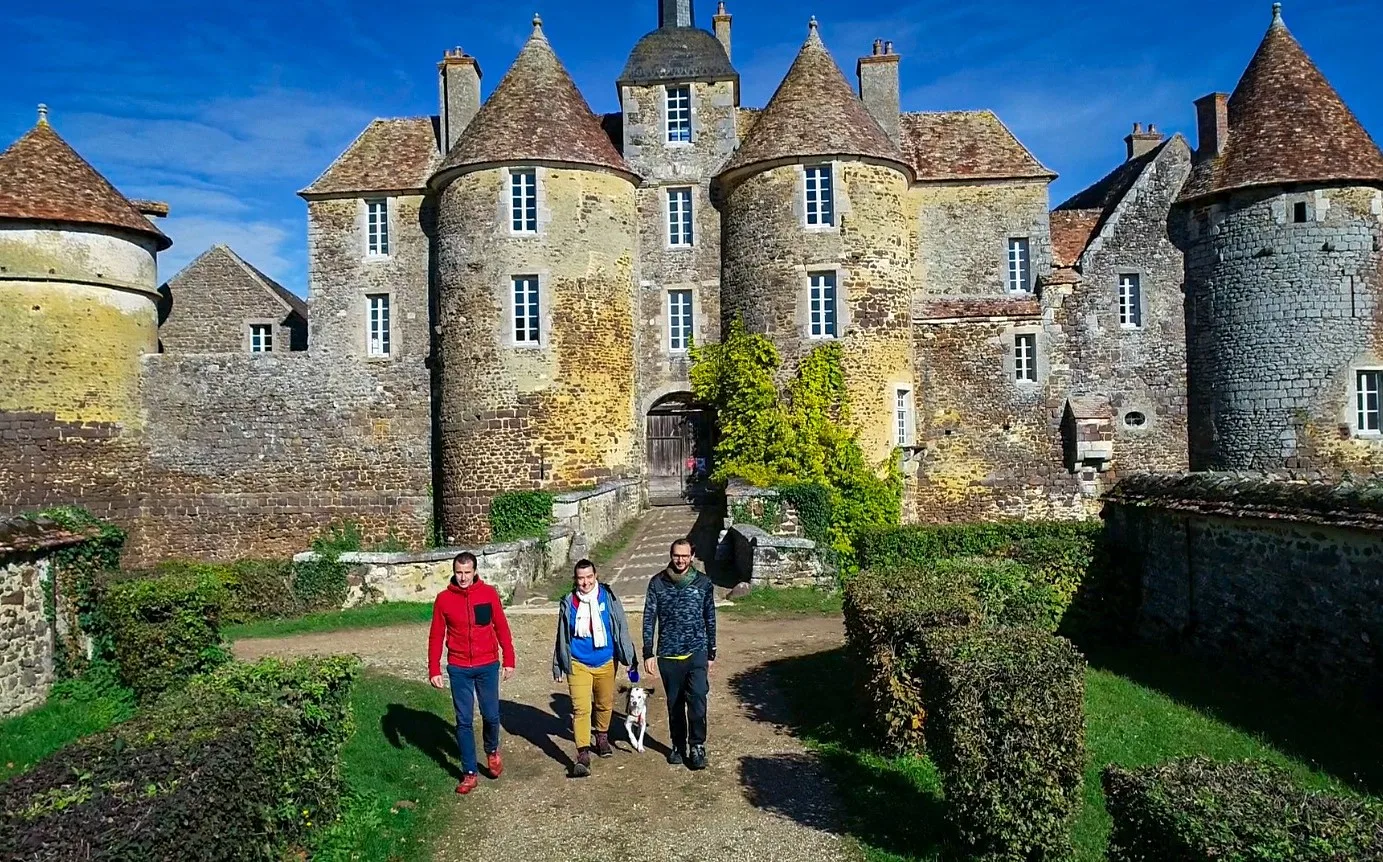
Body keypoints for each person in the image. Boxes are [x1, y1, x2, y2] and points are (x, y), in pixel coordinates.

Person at [429, 551, 516, 795]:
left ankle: (491, 751)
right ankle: (469, 773)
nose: (463, 577)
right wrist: (434, 667)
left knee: (491, 715)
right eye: (459, 572)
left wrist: (508, 658)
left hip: (487, 665)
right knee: (464, 721)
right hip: (459, 668)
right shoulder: (444, 599)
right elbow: (436, 635)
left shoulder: (488, 595)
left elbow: (501, 626)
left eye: (467, 572)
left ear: (475, 572)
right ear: (453, 572)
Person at [551, 558, 638, 777]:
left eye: (589, 577)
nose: (585, 582)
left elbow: (621, 627)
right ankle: (582, 754)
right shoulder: (568, 602)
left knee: (604, 703)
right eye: (581, 578)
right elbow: (561, 635)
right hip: (578, 662)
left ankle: (601, 736)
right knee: (581, 709)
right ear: (575, 580)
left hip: (606, 660)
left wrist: (630, 657)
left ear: (596, 576)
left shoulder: (608, 597)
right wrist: (557, 664)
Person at [642, 537, 717, 770]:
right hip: (668, 654)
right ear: (671, 555)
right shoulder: (657, 583)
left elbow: (710, 617)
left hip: (696, 652)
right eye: (677, 555)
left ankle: (697, 746)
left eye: (685, 556)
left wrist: (711, 651)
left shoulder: (703, 583)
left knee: (697, 701)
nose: (681, 560)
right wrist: (648, 652)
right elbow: (648, 618)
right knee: (674, 704)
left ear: (692, 556)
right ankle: (678, 745)